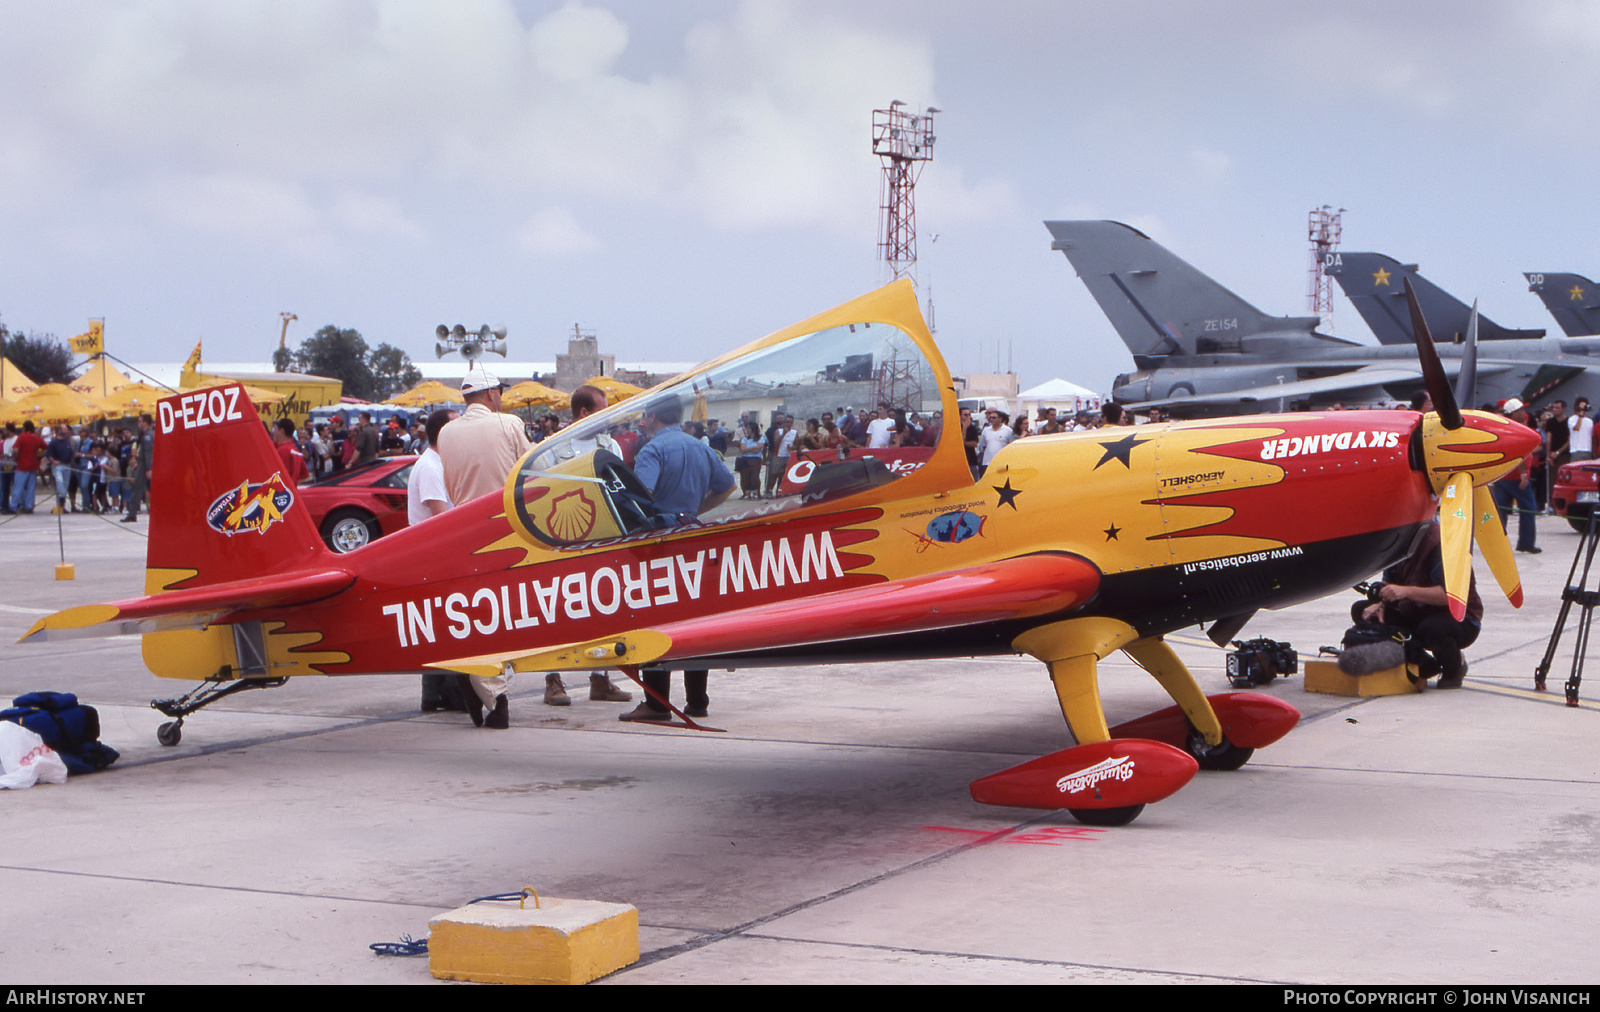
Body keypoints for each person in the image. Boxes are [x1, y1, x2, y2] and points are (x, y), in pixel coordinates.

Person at [620, 398, 734, 723]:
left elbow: (641, 496)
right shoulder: (700, 447)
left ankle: (656, 703)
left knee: (655, 619)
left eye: (644, 415)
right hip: (693, 537)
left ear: (652, 417)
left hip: (659, 542)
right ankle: (697, 700)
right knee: (694, 618)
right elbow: (727, 486)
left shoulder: (652, 451)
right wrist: (694, 511)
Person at [435, 367, 532, 729]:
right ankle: (496, 693)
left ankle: (479, 683)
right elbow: (533, 469)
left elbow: (450, 484)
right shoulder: (509, 424)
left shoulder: (446, 433)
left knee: (478, 616)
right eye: (499, 392)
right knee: (504, 618)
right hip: (508, 533)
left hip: (464, 535)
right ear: (491, 394)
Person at [529, 384, 633, 708]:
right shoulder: (549, 450)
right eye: (603, 411)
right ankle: (553, 680)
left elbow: (619, 486)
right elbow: (539, 497)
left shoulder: (609, 445)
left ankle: (600, 678)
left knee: (604, 608)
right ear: (584, 413)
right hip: (564, 544)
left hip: (603, 539)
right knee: (558, 612)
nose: (609, 418)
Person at [1358, 522, 1481, 688]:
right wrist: (1380, 603)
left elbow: (1451, 596)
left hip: (1458, 617)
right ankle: (1424, 663)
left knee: (1432, 628)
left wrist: (1405, 592)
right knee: (1363, 612)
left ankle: (1455, 667)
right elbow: (1389, 582)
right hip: (1416, 611)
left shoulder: (1439, 544)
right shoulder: (1398, 540)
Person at [121, 414, 154, 523]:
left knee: (137, 490)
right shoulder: (146, 434)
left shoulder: (148, 435)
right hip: (143, 465)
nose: (138, 424)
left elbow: (149, 453)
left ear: (145, 422)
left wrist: (149, 468)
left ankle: (132, 514)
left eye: (140, 421)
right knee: (152, 490)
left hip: (145, 466)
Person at [9, 421, 45, 514]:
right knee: (31, 488)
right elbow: (46, 447)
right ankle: (29, 507)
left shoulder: (21, 437)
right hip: (33, 465)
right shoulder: (37, 438)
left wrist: (14, 457)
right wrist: (39, 454)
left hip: (22, 465)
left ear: (24, 428)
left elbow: (15, 450)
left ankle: (13, 506)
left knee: (18, 487)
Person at [270, 418, 308, 487]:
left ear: (281, 431)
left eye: (275, 428)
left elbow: (279, 476)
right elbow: (304, 475)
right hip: (292, 492)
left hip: (281, 493)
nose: (273, 432)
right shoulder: (296, 450)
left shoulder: (283, 450)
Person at [1570, 398, 1594, 462]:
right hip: (1577, 450)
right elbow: (1576, 428)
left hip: (1588, 450)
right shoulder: (1572, 419)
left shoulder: (1589, 421)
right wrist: (1580, 414)